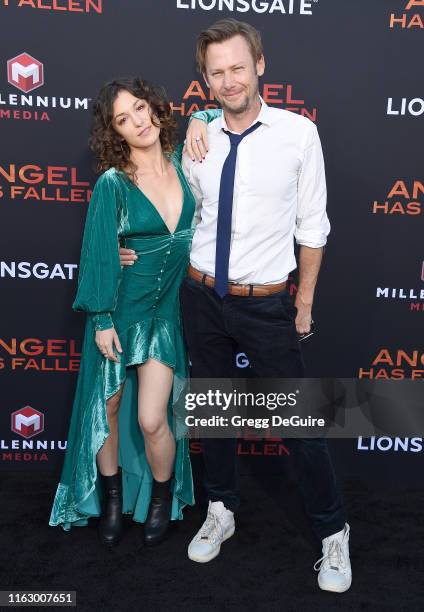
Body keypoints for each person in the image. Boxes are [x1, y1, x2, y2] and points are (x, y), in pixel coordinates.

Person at [119, 19, 352, 592]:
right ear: (205, 78)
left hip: (269, 303)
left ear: (260, 66)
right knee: (214, 416)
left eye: (238, 68)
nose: (229, 80)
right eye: (216, 72)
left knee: (301, 426)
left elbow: (314, 228)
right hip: (200, 297)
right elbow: (165, 207)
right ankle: (221, 509)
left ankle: (333, 533)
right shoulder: (194, 138)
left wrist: (304, 303)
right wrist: (123, 251)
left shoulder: (299, 135)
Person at [49, 77, 207, 547]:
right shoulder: (113, 184)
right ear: (114, 132)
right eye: (123, 119)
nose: (138, 122)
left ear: (155, 108)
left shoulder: (185, 167)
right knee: (110, 407)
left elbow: (229, 116)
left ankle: (161, 498)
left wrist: (202, 115)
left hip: (165, 314)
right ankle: (112, 499)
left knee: (153, 419)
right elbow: (98, 251)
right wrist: (99, 319)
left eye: (140, 108)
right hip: (117, 311)